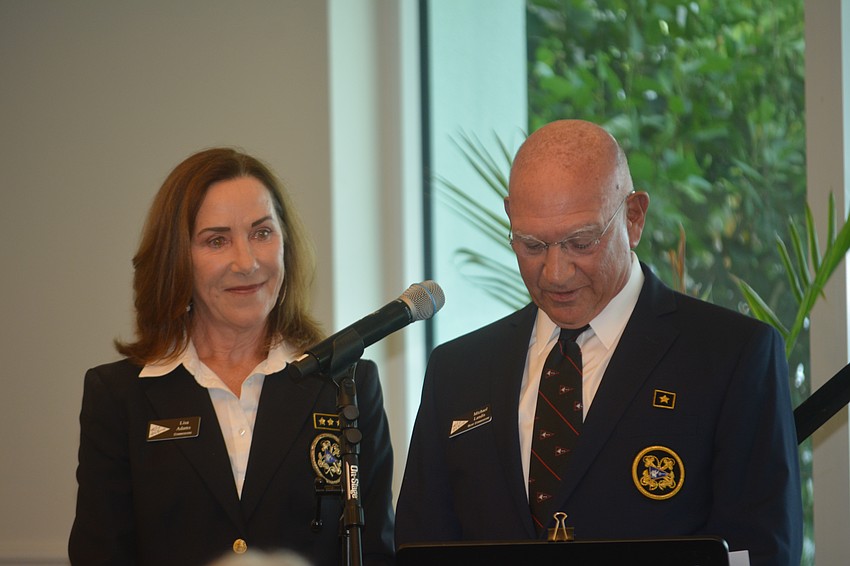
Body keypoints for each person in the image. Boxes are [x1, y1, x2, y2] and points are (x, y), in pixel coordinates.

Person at [395, 120, 802, 565]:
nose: (556, 272)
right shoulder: (458, 371)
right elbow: (420, 547)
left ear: (634, 217)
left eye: (581, 242)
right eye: (532, 245)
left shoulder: (730, 357)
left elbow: (759, 552)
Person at [69, 148, 395, 566]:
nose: (247, 262)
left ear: (286, 245)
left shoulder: (346, 384)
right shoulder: (118, 396)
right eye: (216, 240)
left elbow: (377, 551)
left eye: (262, 233)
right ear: (177, 259)